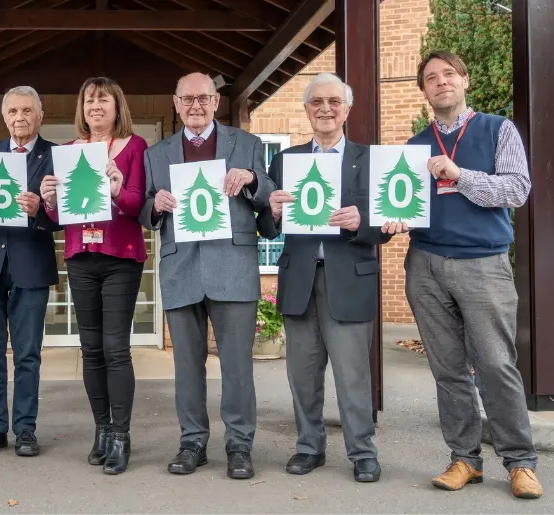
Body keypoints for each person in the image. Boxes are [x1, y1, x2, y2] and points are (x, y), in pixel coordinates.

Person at [405, 51, 541, 499]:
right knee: (448, 371)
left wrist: (460, 174)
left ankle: (520, 462)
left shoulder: (498, 129)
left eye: (448, 74)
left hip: (483, 265)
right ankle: (464, 458)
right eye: (430, 78)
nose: (440, 82)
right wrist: (394, 218)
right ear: (423, 90)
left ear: (465, 80)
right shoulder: (414, 147)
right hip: (425, 264)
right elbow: (405, 204)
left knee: (497, 366)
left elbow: (517, 189)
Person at [257, 72, 400, 483]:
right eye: (316, 101)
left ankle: (362, 452)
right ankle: (309, 447)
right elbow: (266, 226)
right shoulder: (286, 161)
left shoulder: (369, 159)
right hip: (299, 278)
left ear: (347, 110)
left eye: (334, 102)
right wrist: (274, 213)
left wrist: (363, 221)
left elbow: (392, 221)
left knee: (353, 373)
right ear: (306, 110)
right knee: (302, 373)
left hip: (350, 277)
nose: (325, 108)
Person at [139, 72, 273, 480]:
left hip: (233, 267)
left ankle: (239, 445)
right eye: (187, 100)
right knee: (186, 365)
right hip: (181, 269)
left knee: (237, 365)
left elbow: (270, 195)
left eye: (203, 99)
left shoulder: (245, 144)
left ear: (216, 101)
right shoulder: (156, 153)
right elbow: (144, 212)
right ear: (175, 104)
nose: (195, 106)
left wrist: (252, 180)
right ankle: (192, 442)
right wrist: (156, 205)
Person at [40, 77, 148, 475]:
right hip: (81, 257)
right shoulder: (68, 152)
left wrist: (118, 189)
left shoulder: (135, 147)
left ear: (117, 106)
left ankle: (121, 434)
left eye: (103, 100)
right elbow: (57, 218)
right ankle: (102, 428)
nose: (95, 107)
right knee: (90, 348)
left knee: (115, 347)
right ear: (81, 108)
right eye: (89, 100)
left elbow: (138, 205)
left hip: (121, 257)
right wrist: (50, 201)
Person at [0, 86, 60, 458]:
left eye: (26, 111)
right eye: (13, 112)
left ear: (40, 115)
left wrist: (41, 210)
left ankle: (25, 429)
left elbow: (65, 218)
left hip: (31, 265)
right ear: (5, 117)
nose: (19, 118)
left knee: (27, 354)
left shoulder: (55, 156)